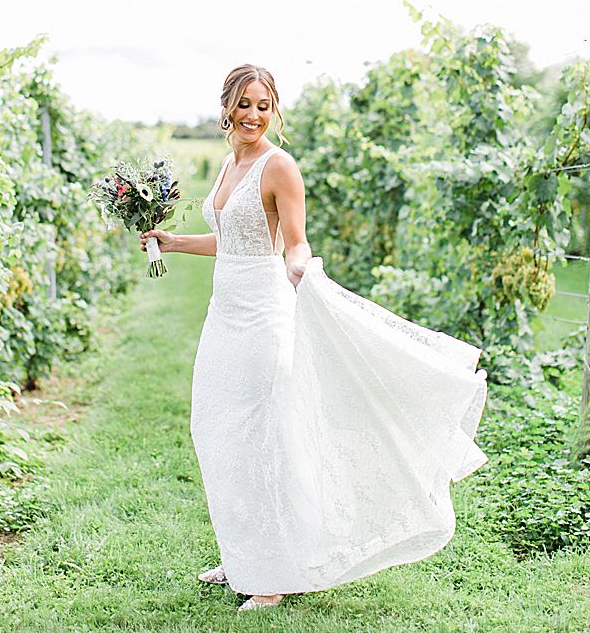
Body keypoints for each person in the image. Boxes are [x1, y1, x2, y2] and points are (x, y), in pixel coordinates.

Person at [141, 64, 487, 613]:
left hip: (262, 315)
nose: (253, 114)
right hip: (224, 313)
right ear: (226, 106)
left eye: (263, 105)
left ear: (274, 111)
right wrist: (173, 240)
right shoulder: (231, 163)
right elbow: (231, 239)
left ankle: (273, 575)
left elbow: (292, 243)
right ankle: (244, 553)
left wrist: (305, 272)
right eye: (244, 104)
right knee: (218, 429)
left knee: (262, 436)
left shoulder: (280, 167)